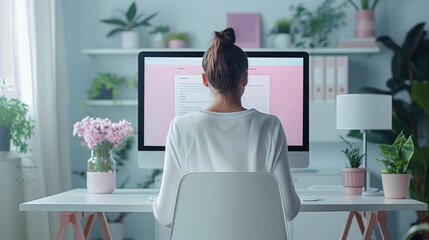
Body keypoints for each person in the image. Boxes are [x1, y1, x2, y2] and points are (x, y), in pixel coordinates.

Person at [153, 28, 300, 227]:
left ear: (205, 80)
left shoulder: (180, 127)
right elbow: (289, 211)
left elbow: (165, 216)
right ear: (245, 78)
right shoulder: (270, 126)